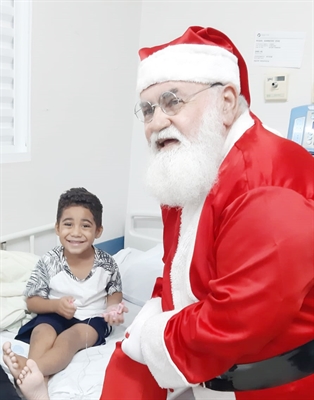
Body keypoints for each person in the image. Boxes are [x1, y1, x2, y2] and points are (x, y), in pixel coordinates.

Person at [99, 26, 314, 400]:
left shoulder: (267, 184)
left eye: (172, 101)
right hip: (212, 372)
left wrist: (147, 336)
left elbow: (235, 322)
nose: (155, 122)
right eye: (147, 109)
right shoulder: (192, 170)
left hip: (276, 386)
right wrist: (146, 328)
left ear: (227, 101)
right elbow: (176, 273)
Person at [2, 187, 128, 400]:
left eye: (85, 226)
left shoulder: (107, 264)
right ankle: (38, 381)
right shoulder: (49, 261)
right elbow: (32, 301)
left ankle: (32, 369)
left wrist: (112, 308)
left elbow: (114, 292)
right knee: (41, 331)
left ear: (98, 231)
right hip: (54, 313)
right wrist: (55, 306)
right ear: (57, 228)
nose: (76, 232)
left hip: (91, 319)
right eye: (68, 224)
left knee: (70, 339)